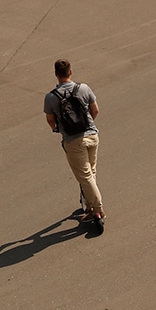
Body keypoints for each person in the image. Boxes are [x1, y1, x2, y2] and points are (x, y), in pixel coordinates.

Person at [44, 60, 104, 220]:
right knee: (91, 172)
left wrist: (57, 129)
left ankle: (97, 210)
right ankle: (90, 204)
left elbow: (50, 120)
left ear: (56, 75)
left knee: (85, 176)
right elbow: (95, 109)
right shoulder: (83, 88)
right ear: (71, 72)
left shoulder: (51, 97)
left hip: (73, 140)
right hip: (92, 135)